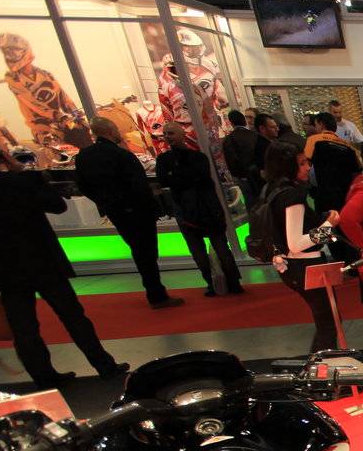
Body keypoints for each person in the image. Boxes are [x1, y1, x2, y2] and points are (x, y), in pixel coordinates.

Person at [0, 128, 126, 386]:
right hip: (41, 260)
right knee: (72, 315)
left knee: (24, 327)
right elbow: (57, 205)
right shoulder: (14, 182)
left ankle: (44, 377)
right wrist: (23, 172)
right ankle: (103, 365)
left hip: (3, 267)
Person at [75, 117, 182, 309]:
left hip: (116, 211)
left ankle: (155, 291)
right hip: (137, 210)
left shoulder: (84, 157)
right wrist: (153, 208)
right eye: (116, 128)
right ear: (109, 130)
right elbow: (139, 185)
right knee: (146, 252)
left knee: (139, 250)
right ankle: (156, 294)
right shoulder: (121, 155)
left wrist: (105, 203)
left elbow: (83, 186)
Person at [261, 141, 340, 354]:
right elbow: (296, 244)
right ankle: (323, 376)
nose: (307, 167)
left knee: (327, 320)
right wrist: (328, 225)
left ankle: (321, 371)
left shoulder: (273, 189)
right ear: (287, 166)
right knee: (328, 321)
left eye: (307, 162)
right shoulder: (291, 195)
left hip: (293, 266)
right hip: (305, 265)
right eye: (302, 163)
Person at [155, 122, 243, 297]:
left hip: (204, 208)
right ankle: (215, 283)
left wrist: (177, 178)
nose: (167, 137)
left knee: (218, 247)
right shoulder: (167, 160)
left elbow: (191, 179)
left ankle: (230, 282)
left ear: (181, 134)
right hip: (189, 209)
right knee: (200, 250)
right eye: (165, 134)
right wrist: (181, 179)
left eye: (171, 133)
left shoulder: (196, 158)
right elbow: (166, 180)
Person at [306, 113, 359, 217]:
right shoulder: (347, 145)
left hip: (323, 195)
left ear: (321, 124)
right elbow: (356, 170)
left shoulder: (313, 140)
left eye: (316, 124)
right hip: (345, 196)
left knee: (325, 227)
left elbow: (307, 166)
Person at [220, 109, 261, 206]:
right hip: (258, 175)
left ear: (231, 122)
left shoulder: (229, 140)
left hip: (244, 178)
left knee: (251, 204)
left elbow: (232, 162)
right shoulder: (254, 135)